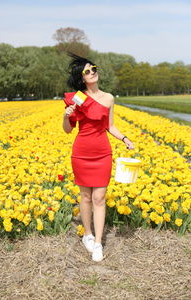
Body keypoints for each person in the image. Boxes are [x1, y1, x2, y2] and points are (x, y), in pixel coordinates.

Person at [62, 53, 134, 262]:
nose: (92, 72)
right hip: (81, 153)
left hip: (102, 153)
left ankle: (98, 243)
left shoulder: (109, 98)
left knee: (99, 198)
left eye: (94, 68)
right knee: (85, 197)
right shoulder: (78, 97)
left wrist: (125, 138)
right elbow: (68, 129)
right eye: (87, 71)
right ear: (81, 77)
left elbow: (110, 126)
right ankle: (87, 234)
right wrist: (67, 115)